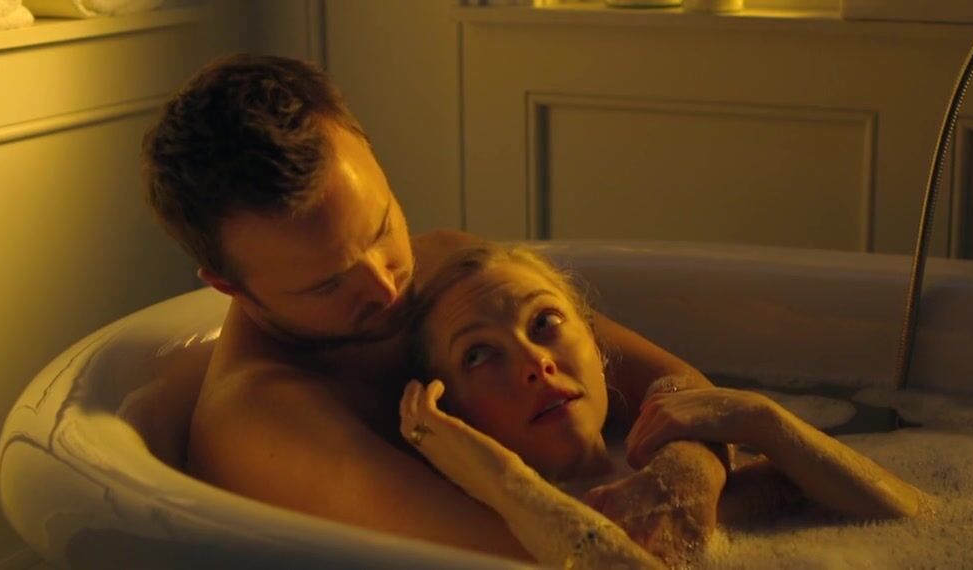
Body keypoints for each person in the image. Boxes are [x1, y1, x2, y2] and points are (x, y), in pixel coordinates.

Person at [139, 53, 730, 562]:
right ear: (230, 288)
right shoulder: (268, 422)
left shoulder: (441, 263)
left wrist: (684, 479)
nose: (385, 284)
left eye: (381, 229)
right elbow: (559, 559)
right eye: (328, 284)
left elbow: (678, 388)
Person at [399, 244, 930, 568]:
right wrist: (505, 481)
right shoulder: (485, 527)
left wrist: (759, 417)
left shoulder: (661, 470)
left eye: (544, 322)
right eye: (479, 355)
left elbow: (914, 517)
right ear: (455, 413)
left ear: (596, 346)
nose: (535, 362)